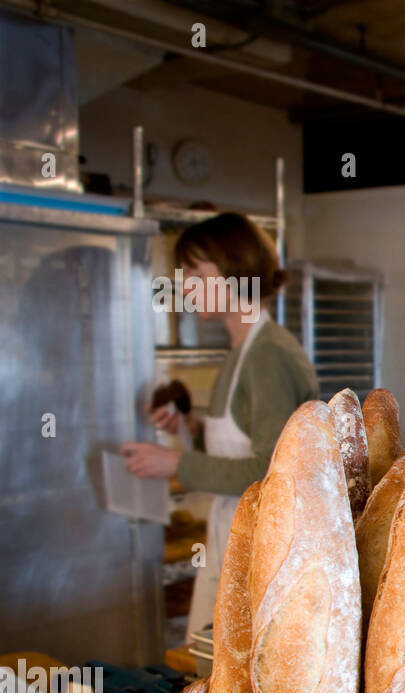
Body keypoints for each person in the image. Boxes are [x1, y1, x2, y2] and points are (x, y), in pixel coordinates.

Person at [122, 213, 318, 641]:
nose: (185, 284)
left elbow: (270, 470)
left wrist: (175, 462)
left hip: (265, 543)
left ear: (235, 270)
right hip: (232, 533)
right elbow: (242, 441)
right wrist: (188, 424)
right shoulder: (241, 351)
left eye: (194, 271)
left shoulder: (269, 356)